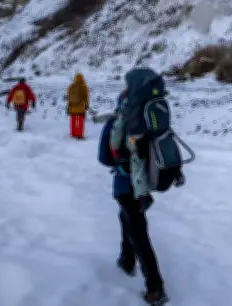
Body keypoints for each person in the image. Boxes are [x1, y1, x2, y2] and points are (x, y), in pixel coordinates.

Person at [99, 90, 167, 305]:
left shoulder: (115, 123)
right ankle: (126, 259)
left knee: (138, 232)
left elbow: (104, 158)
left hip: (125, 185)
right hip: (144, 184)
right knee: (127, 218)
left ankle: (155, 288)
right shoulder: (151, 121)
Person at [66, 73, 89, 139]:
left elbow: (68, 96)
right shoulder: (84, 86)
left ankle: (73, 133)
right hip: (80, 107)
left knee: (73, 121)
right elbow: (86, 97)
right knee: (80, 121)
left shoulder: (71, 86)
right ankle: (79, 134)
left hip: (72, 106)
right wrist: (87, 105)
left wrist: (69, 104)